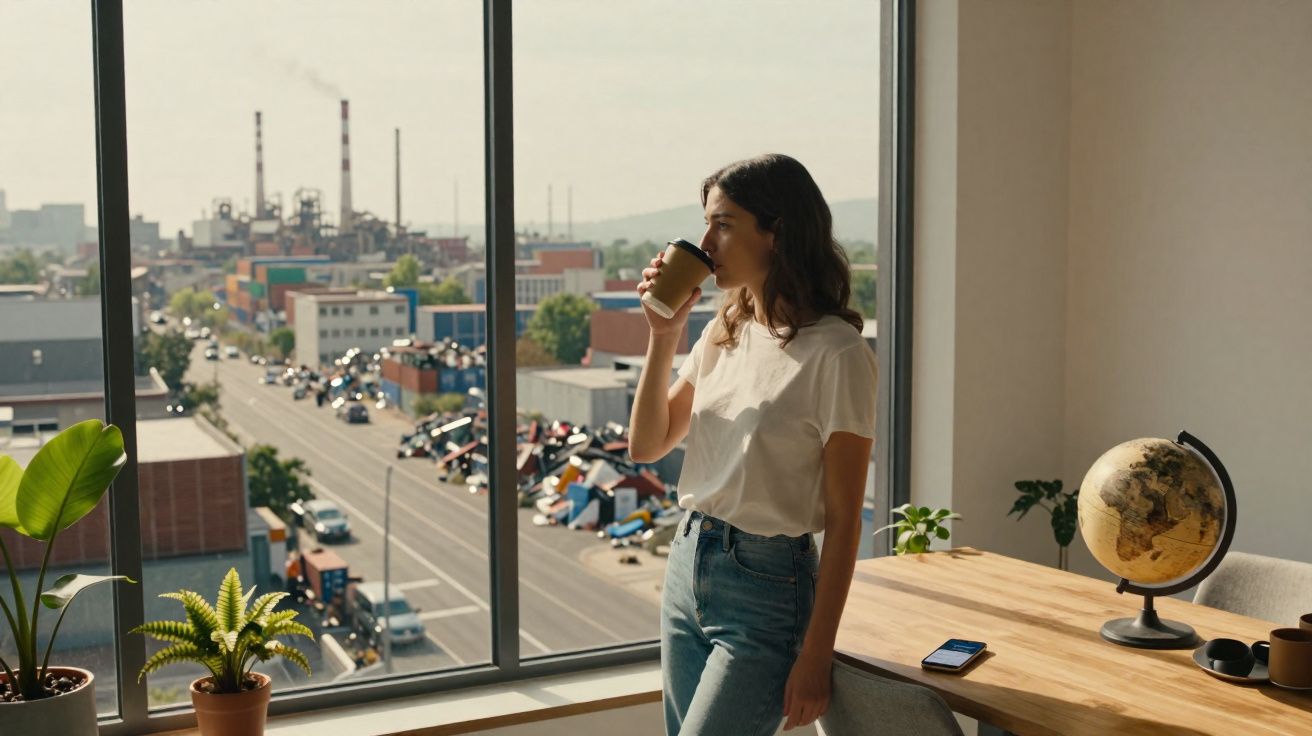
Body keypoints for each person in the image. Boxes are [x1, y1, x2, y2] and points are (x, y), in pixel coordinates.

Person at [629, 153, 877, 735]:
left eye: (723, 223)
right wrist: (662, 334)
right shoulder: (725, 328)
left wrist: (816, 656)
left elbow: (845, 522)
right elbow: (646, 444)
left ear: (777, 232)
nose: (705, 241)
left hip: (768, 589)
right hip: (687, 565)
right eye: (706, 223)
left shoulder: (838, 354)